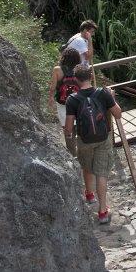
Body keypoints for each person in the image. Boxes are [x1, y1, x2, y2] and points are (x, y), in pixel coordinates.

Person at [64, 64, 122, 225]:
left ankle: (89, 194)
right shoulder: (103, 93)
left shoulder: (72, 99)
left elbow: (69, 127)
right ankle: (103, 211)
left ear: (76, 80)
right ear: (91, 76)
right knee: (101, 173)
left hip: (84, 140)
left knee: (87, 167)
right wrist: (112, 97)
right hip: (103, 139)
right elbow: (118, 113)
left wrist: (69, 136)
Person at [48, 48, 82, 151]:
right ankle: (82, 150)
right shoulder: (80, 69)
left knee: (66, 127)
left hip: (63, 103)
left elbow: (53, 87)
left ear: (64, 57)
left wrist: (50, 98)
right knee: (79, 124)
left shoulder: (57, 70)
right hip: (77, 102)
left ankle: (72, 152)